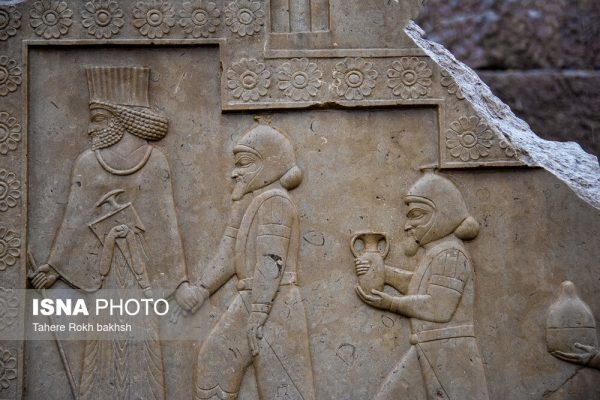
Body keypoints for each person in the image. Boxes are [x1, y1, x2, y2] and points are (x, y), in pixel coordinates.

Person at [29, 66, 200, 400]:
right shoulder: (86, 164)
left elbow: (166, 223)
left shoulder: (157, 162)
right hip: (104, 276)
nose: (91, 129)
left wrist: (177, 282)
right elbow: (74, 220)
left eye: (100, 119)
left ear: (123, 121)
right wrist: (54, 266)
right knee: (104, 344)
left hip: (141, 275)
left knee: (142, 345)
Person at [192, 124, 315, 400]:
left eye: (244, 164)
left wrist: (258, 313)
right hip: (254, 298)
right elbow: (229, 254)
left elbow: (271, 262)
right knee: (216, 362)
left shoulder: (275, 202)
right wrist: (201, 289)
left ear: (268, 166)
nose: (235, 172)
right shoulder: (250, 203)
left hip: (274, 302)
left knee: (281, 385)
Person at [355, 171, 489, 400]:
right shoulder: (439, 252)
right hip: (429, 350)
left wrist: (391, 303)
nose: (407, 225)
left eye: (417, 215)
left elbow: (439, 307)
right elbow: (422, 287)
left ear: (443, 214)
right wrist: (385, 274)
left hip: (451, 357)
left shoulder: (451, 254)